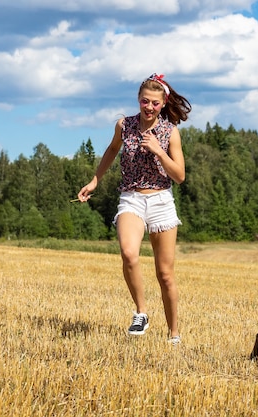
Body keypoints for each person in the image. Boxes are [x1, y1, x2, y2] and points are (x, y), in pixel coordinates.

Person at [77, 73, 191, 344]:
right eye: (144, 101)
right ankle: (141, 312)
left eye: (154, 103)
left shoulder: (170, 132)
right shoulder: (124, 125)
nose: (148, 107)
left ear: (163, 104)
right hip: (131, 197)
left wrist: (159, 151)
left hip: (161, 200)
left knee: (165, 274)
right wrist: (95, 180)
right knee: (129, 254)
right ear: (138, 101)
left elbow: (180, 176)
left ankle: (174, 333)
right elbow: (112, 149)